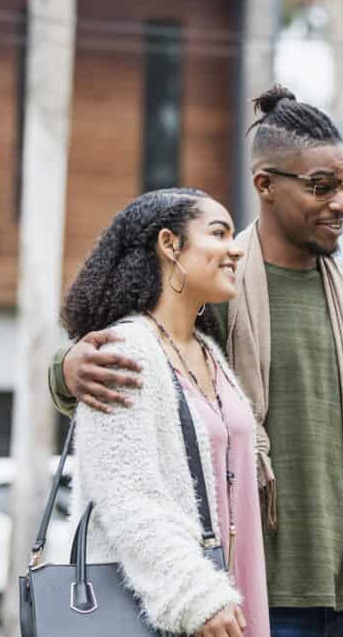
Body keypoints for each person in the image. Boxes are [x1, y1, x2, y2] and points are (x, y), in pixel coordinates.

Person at [48, 86, 343, 637]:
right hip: (244, 591)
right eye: (321, 186)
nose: (341, 202)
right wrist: (68, 367)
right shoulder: (215, 295)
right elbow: (129, 348)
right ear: (265, 185)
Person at [61, 188, 269, 637]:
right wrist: (196, 595)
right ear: (169, 244)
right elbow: (125, 492)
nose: (235, 248)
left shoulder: (208, 351)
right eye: (219, 233)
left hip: (229, 596)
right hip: (185, 604)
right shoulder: (126, 350)